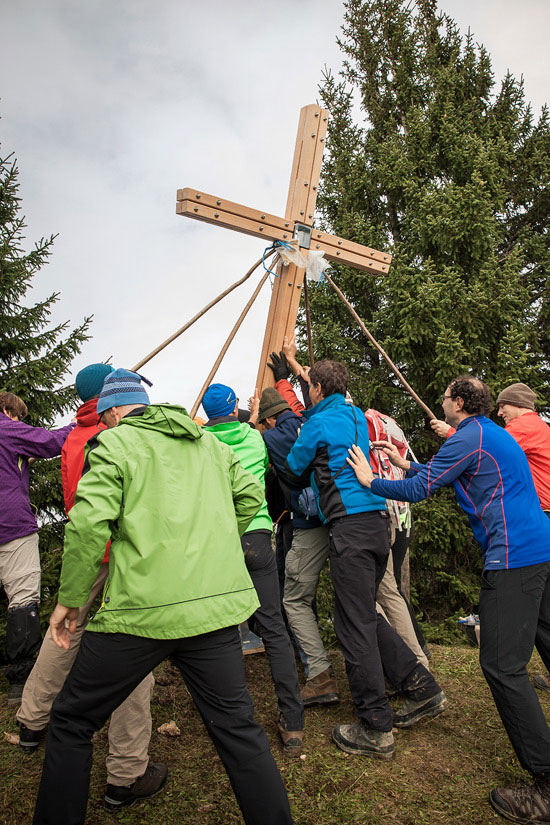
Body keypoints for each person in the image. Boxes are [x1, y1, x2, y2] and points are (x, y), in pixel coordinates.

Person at [32, 369, 294, 825]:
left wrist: (70, 600)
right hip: (211, 613)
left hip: (138, 613)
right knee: (239, 730)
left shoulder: (114, 443)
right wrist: (217, 543)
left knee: (72, 721)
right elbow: (251, 495)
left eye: (106, 416)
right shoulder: (210, 444)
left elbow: (88, 525)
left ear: (112, 410)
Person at [348, 375, 550, 822]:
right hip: (540, 547)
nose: (442, 403)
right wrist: (403, 462)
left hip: (514, 555)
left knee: (501, 666)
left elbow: (423, 490)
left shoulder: (469, 437)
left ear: (458, 402)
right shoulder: (482, 435)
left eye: (444, 398)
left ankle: (546, 783)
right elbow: (441, 474)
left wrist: (369, 480)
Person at [17, 363, 163, 812]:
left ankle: (31, 721)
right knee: (133, 651)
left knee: (64, 635)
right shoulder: (116, 437)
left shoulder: (73, 436)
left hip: (87, 555)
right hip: (119, 552)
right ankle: (127, 770)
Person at [285, 360, 447, 760]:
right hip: (378, 524)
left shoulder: (319, 424)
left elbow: (293, 466)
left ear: (318, 388)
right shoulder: (357, 415)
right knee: (367, 614)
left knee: (352, 622)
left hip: (350, 528)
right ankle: (420, 686)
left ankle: (375, 725)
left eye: (310, 387)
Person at [202, 382, 304, 756]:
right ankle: (292, 723)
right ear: (234, 409)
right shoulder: (255, 438)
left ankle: (234, 721)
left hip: (219, 538)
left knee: (223, 628)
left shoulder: (199, 442)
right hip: (257, 535)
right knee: (274, 628)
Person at [431, 381, 550, 693]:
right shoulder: (540, 426)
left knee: (526, 623)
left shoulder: (524, 426)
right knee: (542, 613)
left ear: (519, 406)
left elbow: (484, 449)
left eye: (504, 406)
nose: (500, 412)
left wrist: (450, 434)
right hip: (541, 522)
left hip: (534, 522)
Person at [253, 384, 339, 707]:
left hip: (304, 522)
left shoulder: (271, 438)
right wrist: (283, 376)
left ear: (269, 419)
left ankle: (318, 675)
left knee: (294, 598)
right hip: (340, 516)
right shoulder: (309, 419)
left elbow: (287, 467)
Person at [0, 391, 74, 706]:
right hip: (11, 526)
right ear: (7, 410)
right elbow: (50, 442)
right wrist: (73, 426)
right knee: (22, 599)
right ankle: (21, 680)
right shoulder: (6, 427)